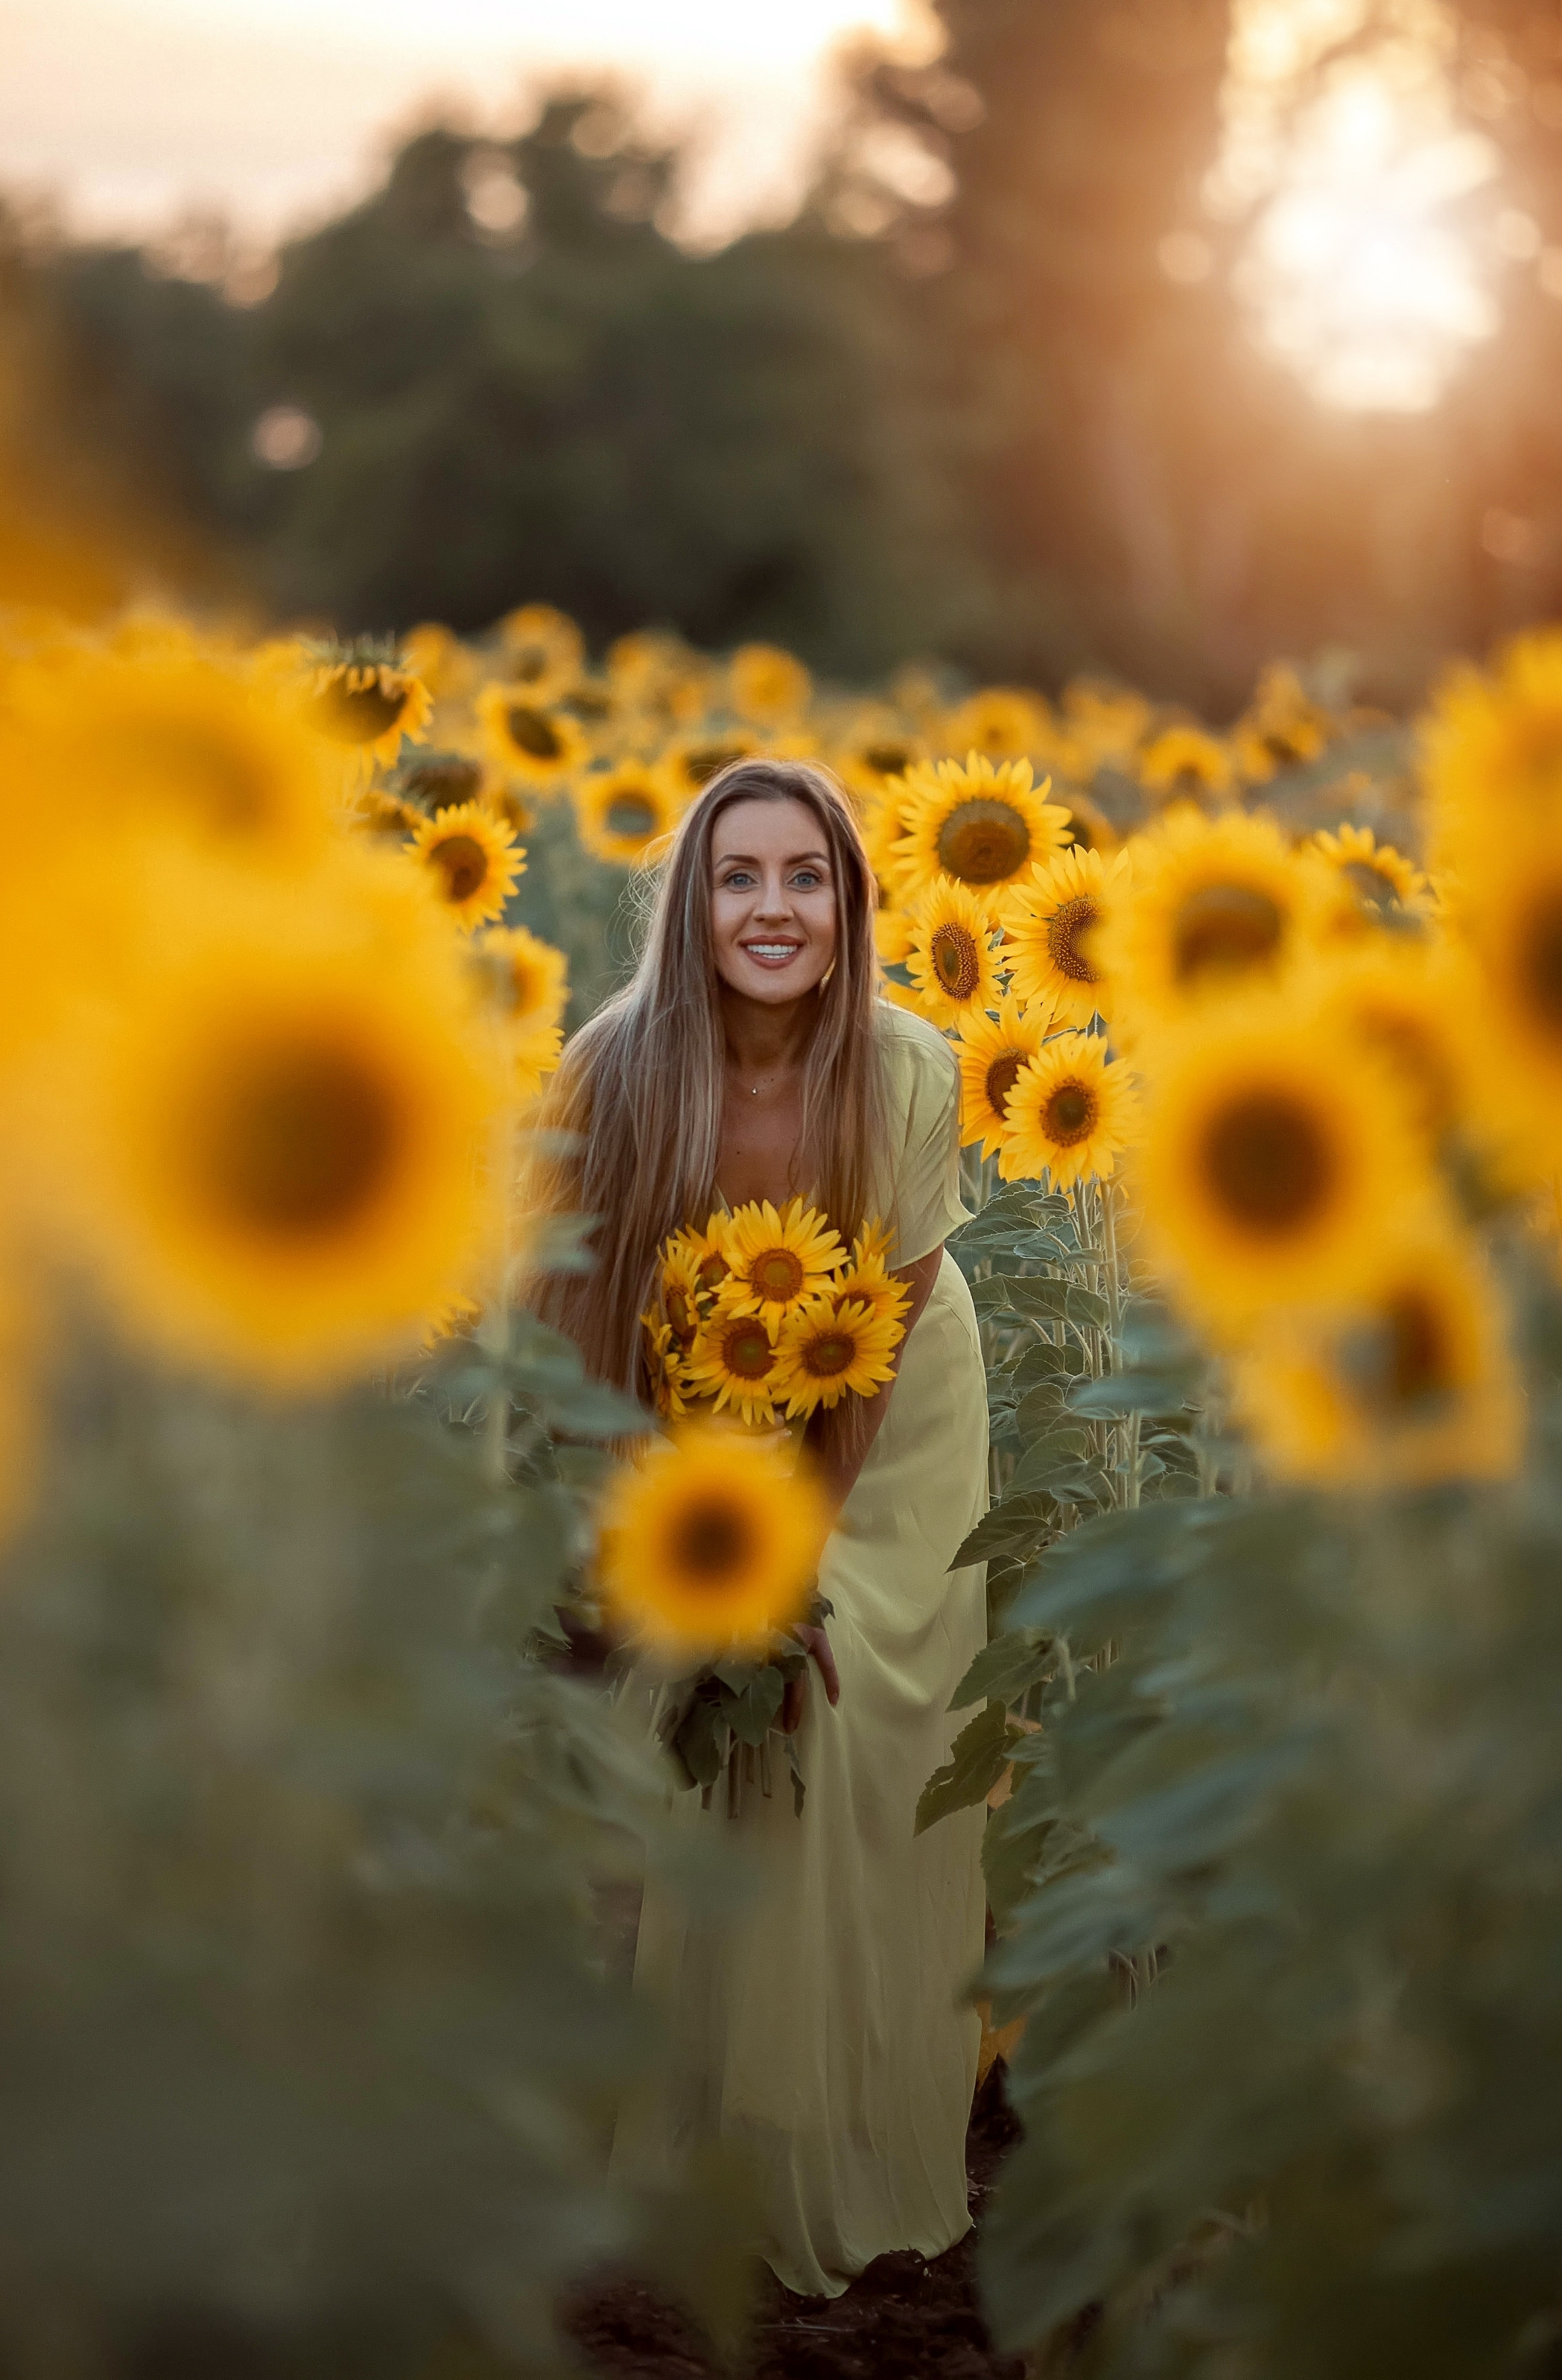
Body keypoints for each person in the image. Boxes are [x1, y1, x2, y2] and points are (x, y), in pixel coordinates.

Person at [540, 756, 989, 2299]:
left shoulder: (909, 1072)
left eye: (805, 877)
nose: (773, 908)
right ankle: (686, 2122)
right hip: (691, 1421)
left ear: (848, 903)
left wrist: (791, 1572)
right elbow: (591, 1336)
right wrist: (659, 1554)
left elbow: (880, 1340)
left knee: (855, 1723)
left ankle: (840, 2120)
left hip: (888, 1430)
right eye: (739, 876)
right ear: (691, 902)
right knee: (690, 1721)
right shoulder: (613, 1071)